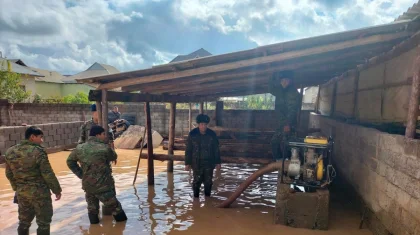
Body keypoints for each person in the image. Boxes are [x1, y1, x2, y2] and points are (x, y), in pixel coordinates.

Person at [5, 126, 62, 235]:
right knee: (43, 223)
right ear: (32, 137)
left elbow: (8, 174)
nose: (42, 140)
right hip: (40, 193)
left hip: (22, 193)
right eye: (40, 137)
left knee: (24, 222)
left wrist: (17, 188)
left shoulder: (10, 151)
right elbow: (47, 174)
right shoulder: (38, 151)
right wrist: (57, 190)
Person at [67, 126, 127, 224]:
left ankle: (94, 228)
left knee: (92, 209)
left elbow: (70, 162)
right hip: (103, 186)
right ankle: (122, 228)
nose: (104, 136)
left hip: (88, 186)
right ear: (97, 135)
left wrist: (81, 174)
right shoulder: (104, 147)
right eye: (103, 134)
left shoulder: (80, 148)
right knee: (116, 208)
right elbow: (114, 156)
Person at [185, 114, 221, 198]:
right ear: (198, 125)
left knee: (208, 182)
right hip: (196, 162)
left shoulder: (212, 134)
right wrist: (187, 163)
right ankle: (196, 199)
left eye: (205, 124)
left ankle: (207, 199)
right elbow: (188, 149)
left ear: (207, 125)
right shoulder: (192, 134)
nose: (203, 126)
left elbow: (216, 149)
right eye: (201, 124)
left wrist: (218, 162)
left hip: (209, 162)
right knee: (196, 181)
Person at [268, 70, 301, 160]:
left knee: (287, 144)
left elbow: (292, 111)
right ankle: (281, 162)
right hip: (281, 123)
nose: (284, 82)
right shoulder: (280, 90)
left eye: (286, 80)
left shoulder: (293, 93)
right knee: (276, 143)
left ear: (290, 81)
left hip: (288, 124)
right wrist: (272, 74)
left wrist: (288, 124)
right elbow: (270, 89)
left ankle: (288, 162)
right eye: (282, 80)